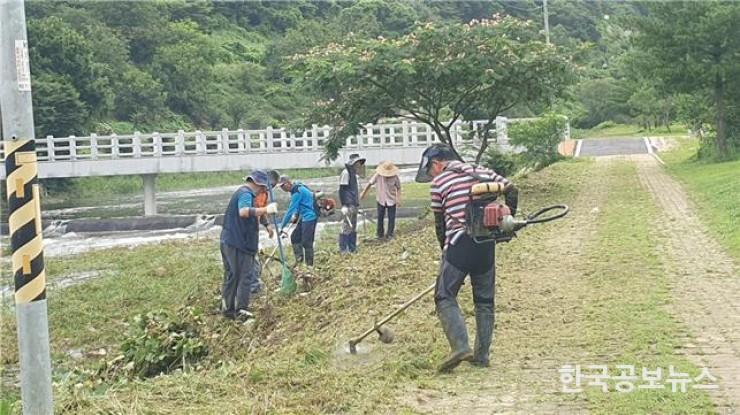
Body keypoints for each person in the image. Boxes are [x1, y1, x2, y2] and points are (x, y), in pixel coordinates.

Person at [415, 143, 518, 372]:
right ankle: (482, 356)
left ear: (437, 163)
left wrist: (445, 251)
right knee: (484, 301)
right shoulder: (483, 172)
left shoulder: (439, 182)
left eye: (430, 170)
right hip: (486, 244)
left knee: (444, 295)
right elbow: (512, 189)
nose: (431, 174)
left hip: (459, 246)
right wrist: (507, 224)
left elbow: (440, 224)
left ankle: (460, 346)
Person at [220, 170, 278, 322]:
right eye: (263, 187)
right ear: (258, 184)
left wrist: (266, 223)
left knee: (232, 276)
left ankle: (228, 310)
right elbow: (244, 212)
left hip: (230, 240)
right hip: (239, 243)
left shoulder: (243, 192)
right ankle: (241, 310)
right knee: (244, 276)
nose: (263, 190)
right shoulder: (246, 194)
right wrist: (266, 209)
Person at [277, 175, 318, 266]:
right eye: (280, 187)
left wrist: (282, 226)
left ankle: (309, 265)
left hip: (310, 216)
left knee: (307, 242)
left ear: (288, 183)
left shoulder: (297, 191)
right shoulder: (295, 188)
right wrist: (296, 214)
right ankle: (299, 261)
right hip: (304, 216)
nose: (282, 188)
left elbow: (290, 210)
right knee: (295, 237)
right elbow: (298, 205)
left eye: (283, 186)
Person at [360, 161, 401, 240]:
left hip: (391, 200)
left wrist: (398, 199)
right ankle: (379, 234)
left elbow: (398, 188)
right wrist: (363, 193)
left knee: (391, 218)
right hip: (381, 199)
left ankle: (390, 234)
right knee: (380, 217)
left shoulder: (395, 177)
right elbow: (370, 183)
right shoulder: (378, 175)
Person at [338, 153, 365, 253]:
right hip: (348, 205)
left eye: (359, 163)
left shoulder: (354, 174)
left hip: (354, 204)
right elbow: (342, 190)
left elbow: (355, 191)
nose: (358, 165)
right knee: (346, 226)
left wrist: (357, 203)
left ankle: (352, 248)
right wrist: (344, 205)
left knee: (353, 226)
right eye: (357, 163)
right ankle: (343, 249)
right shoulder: (346, 173)